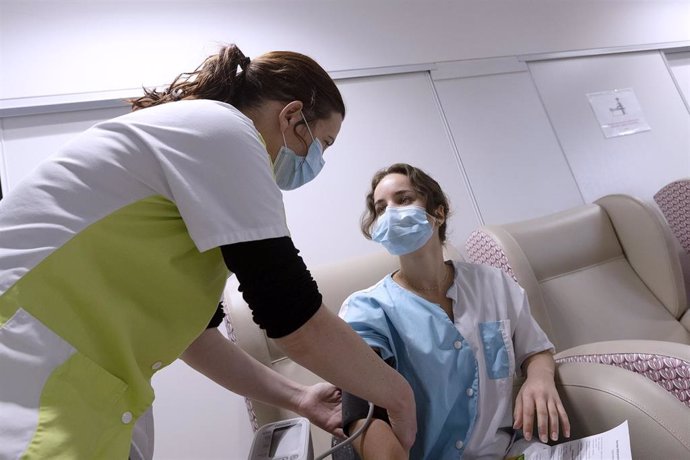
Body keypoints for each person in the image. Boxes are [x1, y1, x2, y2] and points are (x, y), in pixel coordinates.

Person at [0, 44, 416, 459]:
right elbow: (293, 317)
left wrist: (301, 397)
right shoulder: (225, 132)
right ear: (292, 116)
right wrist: (398, 395)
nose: (317, 160)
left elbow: (196, 336)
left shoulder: (203, 152)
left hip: (85, 380)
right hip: (32, 359)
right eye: (322, 143)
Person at [339, 163, 570, 459]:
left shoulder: (492, 283)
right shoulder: (367, 309)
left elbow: (535, 350)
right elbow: (361, 407)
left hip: (505, 452)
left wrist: (539, 378)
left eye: (404, 200)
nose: (391, 214)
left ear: (438, 212)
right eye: (381, 208)